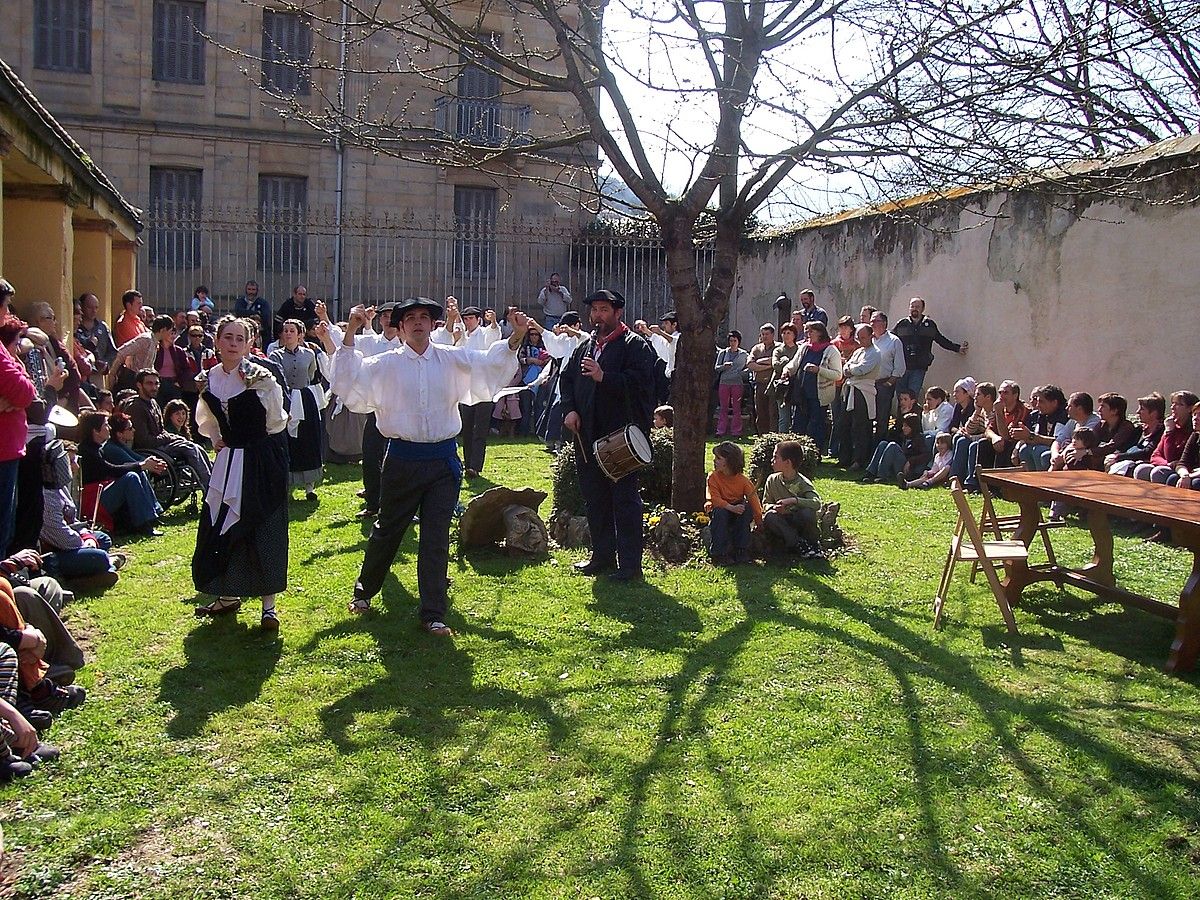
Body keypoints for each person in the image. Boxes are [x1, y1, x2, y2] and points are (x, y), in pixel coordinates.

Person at [332, 298, 525, 630]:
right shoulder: (385, 363)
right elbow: (348, 380)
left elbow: (489, 364)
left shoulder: (451, 359)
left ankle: (433, 613)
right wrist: (350, 330)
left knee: (435, 538)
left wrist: (515, 337)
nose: (418, 322)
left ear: (433, 324)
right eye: (410, 318)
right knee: (388, 529)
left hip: (442, 463)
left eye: (424, 317)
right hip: (402, 461)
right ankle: (364, 591)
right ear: (402, 326)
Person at [190, 316, 289, 630]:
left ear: (249, 344)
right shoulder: (207, 379)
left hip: (260, 460)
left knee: (262, 525)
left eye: (239, 339)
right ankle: (227, 593)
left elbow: (276, 420)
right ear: (217, 341)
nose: (233, 344)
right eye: (228, 337)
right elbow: (205, 416)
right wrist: (218, 438)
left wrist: (250, 443)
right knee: (221, 525)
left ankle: (268, 607)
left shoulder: (260, 377)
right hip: (229, 460)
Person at [560, 289, 657, 582]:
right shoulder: (586, 346)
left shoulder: (635, 346)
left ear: (618, 314)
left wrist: (605, 378)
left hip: (620, 439)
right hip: (587, 436)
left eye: (604, 310)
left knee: (625, 501)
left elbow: (643, 387)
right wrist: (569, 410)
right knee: (595, 498)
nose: (598, 316)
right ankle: (601, 557)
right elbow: (566, 379)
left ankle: (630, 567)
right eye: (595, 310)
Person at [121, 369, 212, 491]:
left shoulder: (153, 403)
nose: (154, 387)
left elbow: (161, 430)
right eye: (149, 383)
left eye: (156, 383)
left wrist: (173, 437)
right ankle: (208, 487)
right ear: (139, 385)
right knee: (189, 448)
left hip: (160, 443)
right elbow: (144, 440)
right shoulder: (136, 407)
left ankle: (214, 482)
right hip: (149, 449)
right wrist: (169, 437)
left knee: (196, 447)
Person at [78, 411, 165, 535]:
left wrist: (142, 465)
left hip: (102, 491)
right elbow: (110, 469)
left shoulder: (97, 448)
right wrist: (142, 465)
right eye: (106, 425)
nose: (110, 428)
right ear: (96, 431)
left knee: (137, 472)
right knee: (132, 477)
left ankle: (152, 516)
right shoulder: (87, 451)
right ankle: (144, 525)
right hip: (94, 500)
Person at [270, 319, 325, 500]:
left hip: (304, 399)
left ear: (300, 334)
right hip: (285, 399)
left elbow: (310, 375)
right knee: (287, 443)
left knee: (308, 441)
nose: (287, 334)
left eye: (291, 331)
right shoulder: (275, 356)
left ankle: (309, 486)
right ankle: (287, 485)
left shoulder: (309, 354)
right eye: (285, 331)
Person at [454, 306, 505, 478]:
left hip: (484, 389)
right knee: (467, 428)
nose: (468, 322)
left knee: (480, 429)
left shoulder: (484, 333)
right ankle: (468, 464)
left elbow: (494, 335)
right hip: (466, 389)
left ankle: (475, 466)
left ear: (478, 319)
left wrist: (493, 322)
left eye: (471, 318)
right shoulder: (463, 337)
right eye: (465, 318)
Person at [0, 315, 35, 557]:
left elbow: (26, 390)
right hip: (3, 448)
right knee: (2, 522)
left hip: (10, 446)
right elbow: (24, 392)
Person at [780, 320, 842, 451]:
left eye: (811, 331)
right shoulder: (805, 347)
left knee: (816, 427)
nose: (807, 334)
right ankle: (796, 455)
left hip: (819, 396)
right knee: (798, 426)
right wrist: (787, 370)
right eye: (807, 331)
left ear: (820, 333)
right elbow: (794, 364)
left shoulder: (831, 350)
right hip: (801, 394)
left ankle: (815, 455)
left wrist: (819, 370)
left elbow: (838, 375)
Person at [893, 297, 968, 398]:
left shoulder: (929, 325)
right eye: (912, 306)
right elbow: (890, 341)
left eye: (917, 307)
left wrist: (957, 348)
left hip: (919, 368)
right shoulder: (901, 324)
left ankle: (912, 414)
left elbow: (941, 340)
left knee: (912, 397)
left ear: (923, 309)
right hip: (902, 368)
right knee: (901, 397)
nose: (914, 309)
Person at [761, 439, 823, 558]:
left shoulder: (802, 482)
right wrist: (774, 507)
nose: (772, 461)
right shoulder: (772, 480)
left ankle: (812, 543)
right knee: (770, 517)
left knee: (807, 512)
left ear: (787, 463)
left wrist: (793, 501)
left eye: (776, 457)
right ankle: (799, 544)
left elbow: (816, 503)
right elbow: (766, 503)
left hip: (798, 519)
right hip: (783, 522)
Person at [705, 442, 763, 565]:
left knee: (746, 509)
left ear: (729, 462)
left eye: (718, 459)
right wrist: (731, 508)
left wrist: (759, 522)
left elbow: (754, 502)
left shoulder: (743, 481)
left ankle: (741, 550)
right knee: (720, 512)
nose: (714, 461)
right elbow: (715, 499)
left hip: (737, 510)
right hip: (721, 510)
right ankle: (719, 554)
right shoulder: (713, 477)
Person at [833, 324, 880, 469]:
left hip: (864, 391)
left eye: (864, 337)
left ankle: (859, 460)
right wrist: (850, 369)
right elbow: (847, 366)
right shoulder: (859, 351)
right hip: (851, 389)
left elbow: (862, 369)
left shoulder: (875, 352)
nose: (861, 341)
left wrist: (850, 369)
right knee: (843, 424)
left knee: (861, 426)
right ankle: (844, 457)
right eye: (859, 338)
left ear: (871, 336)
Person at [1134, 391, 1198, 481]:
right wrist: (1167, 464)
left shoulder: (1193, 432)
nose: (1173, 407)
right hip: (1169, 466)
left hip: (1184, 470)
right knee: (1142, 469)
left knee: (1159, 472)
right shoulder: (1172, 426)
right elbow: (1155, 455)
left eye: (1179, 404)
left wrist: (1169, 433)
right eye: (1172, 404)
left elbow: (1172, 457)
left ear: (1190, 409)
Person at [1107, 393, 1166, 476]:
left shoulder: (1162, 431)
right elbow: (1126, 446)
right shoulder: (1139, 430)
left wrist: (1119, 457)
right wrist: (1116, 455)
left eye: (1142, 409)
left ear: (1153, 413)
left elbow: (1147, 452)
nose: (1137, 412)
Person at [862, 413, 930, 485]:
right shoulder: (904, 437)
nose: (903, 428)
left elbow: (926, 455)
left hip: (907, 468)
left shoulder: (919, 439)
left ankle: (882, 475)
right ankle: (870, 473)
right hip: (899, 462)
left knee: (893, 446)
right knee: (883, 444)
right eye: (903, 426)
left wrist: (911, 461)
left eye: (906, 426)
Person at [1012, 384, 1068, 470]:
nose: (1037, 405)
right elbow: (1031, 436)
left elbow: (1058, 441)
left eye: (1041, 402)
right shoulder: (1040, 415)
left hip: (1059, 452)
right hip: (1042, 447)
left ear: (1054, 403)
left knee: (1039, 451)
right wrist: (1019, 442)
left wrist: (1031, 436)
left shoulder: (1065, 416)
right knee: (1024, 449)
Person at [869, 311, 906, 443]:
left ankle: (880, 448)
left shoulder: (894, 341)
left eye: (875, 321)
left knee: (882, 418)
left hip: (884, 384)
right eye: (871, 321)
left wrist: (890, 383)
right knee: (867, 418)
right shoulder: (868, 340)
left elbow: (900, 367)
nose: (872, 323)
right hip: (867, 384)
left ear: (884, 323)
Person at [74, 292, 116, 386]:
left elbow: (112, 351)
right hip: (82, 375)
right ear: (82, 307)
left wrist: (105, 365)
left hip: (98, 375)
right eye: (90, 307)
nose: (93, 311)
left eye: (96, 307)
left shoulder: (103, 327)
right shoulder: (75, 328)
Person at [713, 330, 749, 437]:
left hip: (737, 383)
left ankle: (736, 431)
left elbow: (748, 367)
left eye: (734, 340)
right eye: (731, 341)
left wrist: (742, 373)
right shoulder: (723, 353)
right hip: (724, 382)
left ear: (739, 342)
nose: (732, 343)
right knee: (723, 408)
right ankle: (720, 430)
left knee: (736, 408)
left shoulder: (744, 354)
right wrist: (724, 366)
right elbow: (716, 368)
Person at [746, 323, 778, 434]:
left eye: (767, 334)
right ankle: (762, 436)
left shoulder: (779, 347)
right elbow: (750, 364)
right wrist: (769, 365)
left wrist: (761, 362)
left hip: (773, 385)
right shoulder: (756, 348)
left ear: (773, 334)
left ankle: (773, 436)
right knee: (760, 412)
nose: (764, 336)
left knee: (772, 412)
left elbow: (777, 362)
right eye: (763, 334)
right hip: (759, 385)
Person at [771, 323, 800, 432]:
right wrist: (787, 363)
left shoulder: (799, 349)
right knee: (784, 417)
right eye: (784, 333)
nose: (786, 335)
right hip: (782, 387)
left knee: (796, 416)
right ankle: (782, 442)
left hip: (796, 386)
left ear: (794, 335)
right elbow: (776, 366)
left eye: (789, 333)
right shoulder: (778, 350)